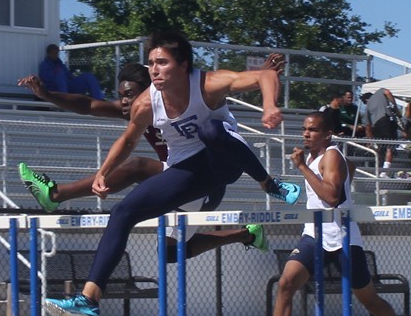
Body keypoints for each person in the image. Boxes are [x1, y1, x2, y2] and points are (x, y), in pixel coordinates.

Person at [41, 30, 300, 316]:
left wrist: (270, 105)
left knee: (210, 130)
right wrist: (103, 173)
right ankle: (89, 300)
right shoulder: (146, 103)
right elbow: (128, 140)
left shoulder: (208, 84)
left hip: (223, 160)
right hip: (187, 172)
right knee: (123, 212)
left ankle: (269, 183)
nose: (154, 70)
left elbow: (265, 76)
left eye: (162, 63)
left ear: (183, 65)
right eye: (151, 63)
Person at [17, 54, 290, 213]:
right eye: (122, 96)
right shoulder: (136, 110)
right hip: (180, 181)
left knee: (137, 166)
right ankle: (245, 235)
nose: (126, 103)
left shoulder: (176, 101)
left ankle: (57, 194)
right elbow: (88, 105)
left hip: (208, 182)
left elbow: (230, 84)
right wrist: (47, 95)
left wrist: (262, 76)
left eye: (130, 96)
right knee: (169, 252)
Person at [271, 110, 411, 316]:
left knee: (369, 300)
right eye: (304, 129)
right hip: (314, 235)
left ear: (328, 134)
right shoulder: (317, 157)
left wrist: (302, 168)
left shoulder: (330, 155)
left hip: (342, 237)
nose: (306, 134)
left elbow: (331, 197)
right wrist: (340, 176)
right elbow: (351, 166)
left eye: (313, 130)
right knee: (286, 283)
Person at [39, 44, 104, 100]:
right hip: (55, 89)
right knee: (60, 74)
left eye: (56, 53)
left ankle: (98, 100)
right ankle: (64, 101)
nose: (55, 55)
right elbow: (47, 79)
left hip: (69, 87)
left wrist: (74, 79)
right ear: (48, 53)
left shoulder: (60, 64)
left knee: (88, 76)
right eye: (53, 53)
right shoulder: (44, 65)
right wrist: (57, 73)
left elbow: (69, 76)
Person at [360, 88, 400, 173]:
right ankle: (385, 171)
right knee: (390, 146)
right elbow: (388, 92)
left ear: (366, 100)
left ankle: (380, 169)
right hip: (387, 120)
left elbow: (368, 126)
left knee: (381, 148)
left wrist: (370, 141)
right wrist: (395, 107)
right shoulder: (380, 92)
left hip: (376, 126)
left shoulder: (367, 107)